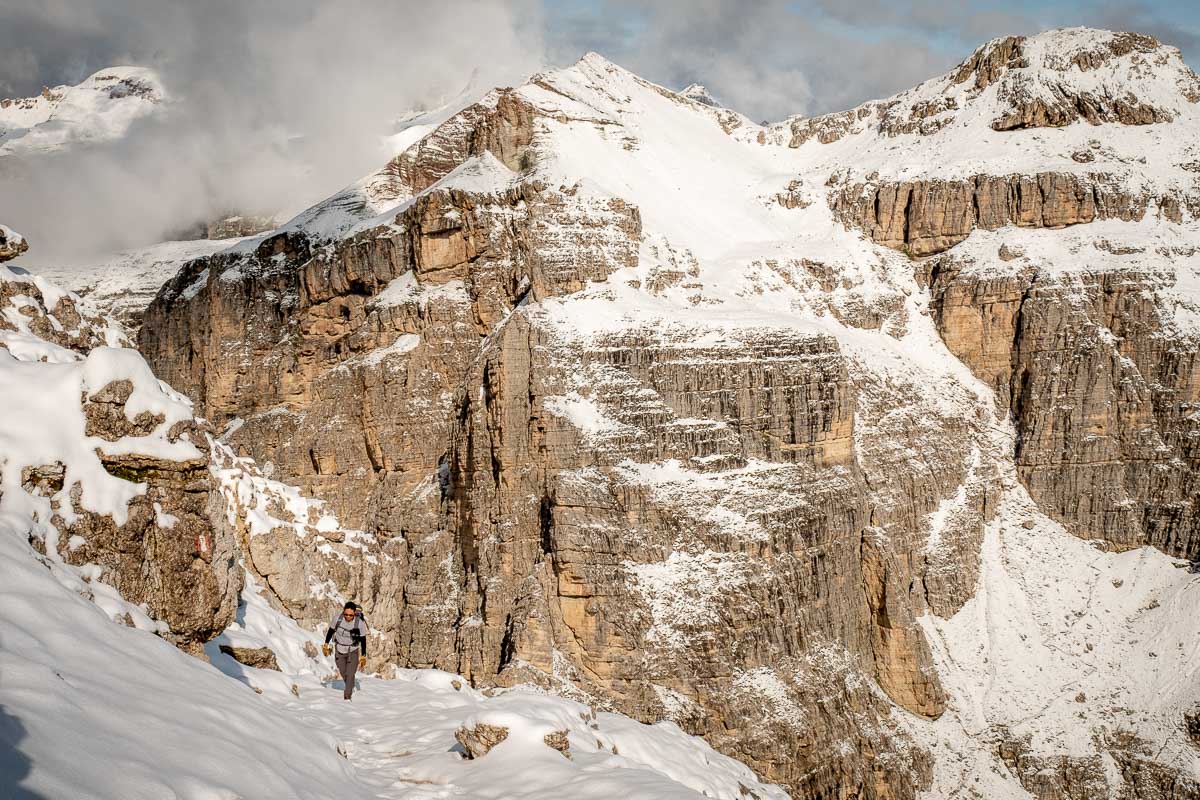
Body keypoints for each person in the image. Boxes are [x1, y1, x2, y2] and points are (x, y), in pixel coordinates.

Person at [322, 601, 368, 700]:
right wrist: (326, 644)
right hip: (339, 649)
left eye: (350, 615)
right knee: (344, 673)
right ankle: (350, 683)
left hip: (353, 650)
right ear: (343, 612)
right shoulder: (337, 619)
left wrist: (363, 655)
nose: (348, 616)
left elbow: (363, 639)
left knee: (350, 673)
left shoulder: (359, 623)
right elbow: (331, 631)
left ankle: (347, 697)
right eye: (346, 614)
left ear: (354, 614)